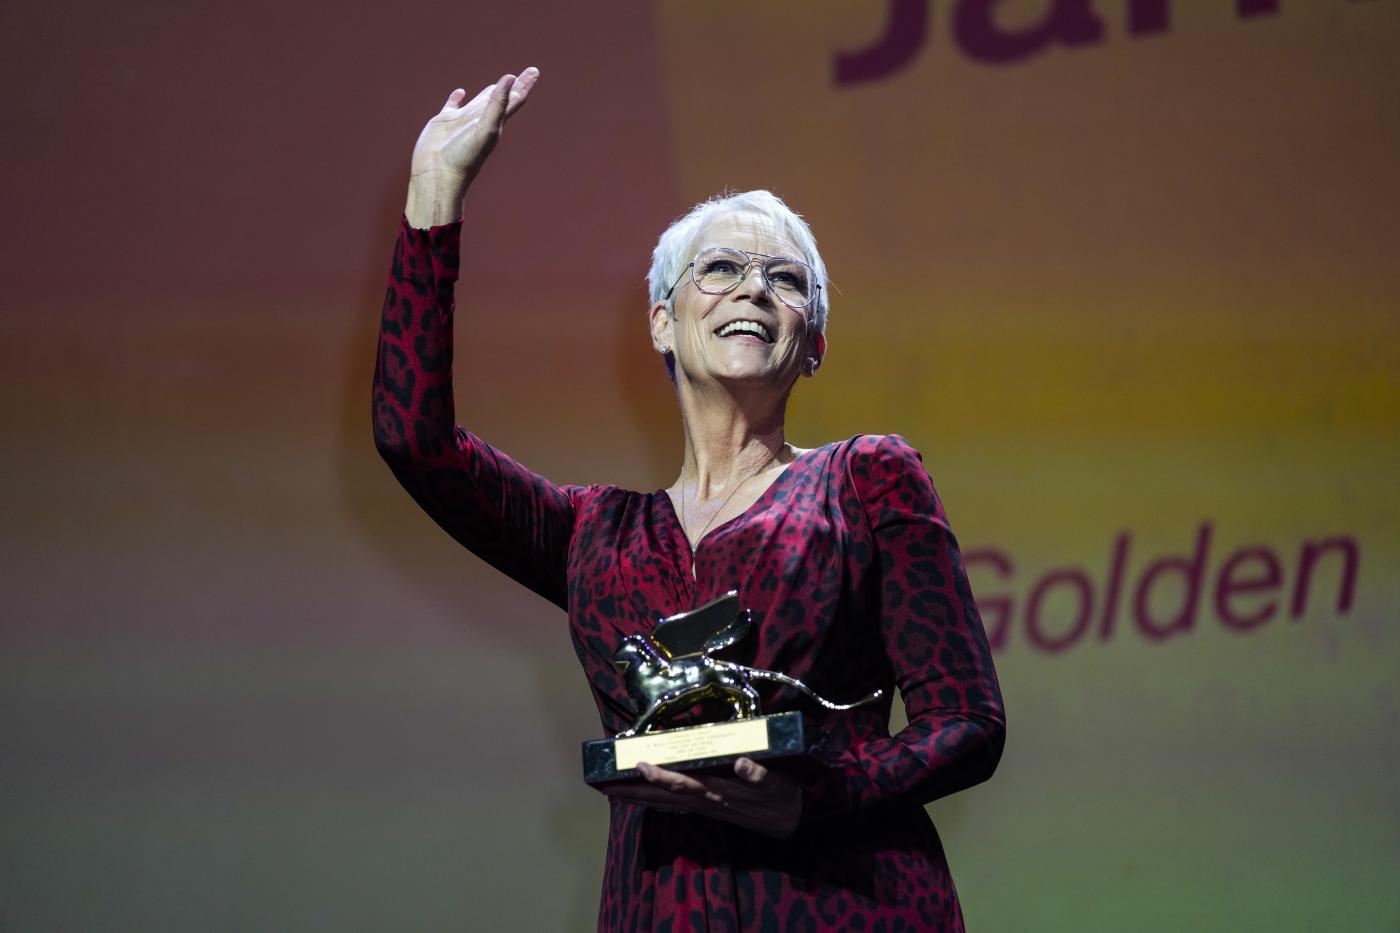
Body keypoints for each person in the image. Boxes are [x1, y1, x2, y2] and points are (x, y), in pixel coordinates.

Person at [373, 67, 1006, 932]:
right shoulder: (593, 533)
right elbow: (415, 441)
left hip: (847, 905)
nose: (754, 288)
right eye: (720, 269)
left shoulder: (865, 479)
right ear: (662, 321)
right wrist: (432, 197)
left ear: (814, 343)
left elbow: (967, 718)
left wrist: (815, 796)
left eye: (786, 280)